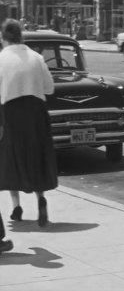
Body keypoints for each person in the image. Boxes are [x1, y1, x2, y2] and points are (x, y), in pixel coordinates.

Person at [0, 19, 58, 234]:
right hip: (36, 111)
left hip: (11, 112)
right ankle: (41, 198)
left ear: (3, 37)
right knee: (36, 155)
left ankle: (16, 207)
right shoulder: (36, 57)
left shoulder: (1, 58)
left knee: (11, 156)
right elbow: (49, 88)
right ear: (21, 35)